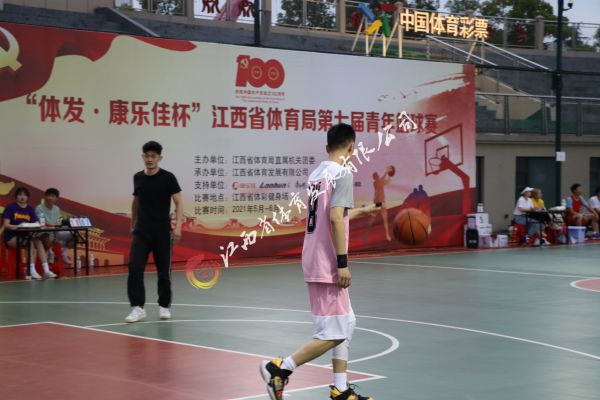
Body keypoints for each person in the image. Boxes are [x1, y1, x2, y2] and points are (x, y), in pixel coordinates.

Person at [260, 124, 379, 400]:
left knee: (347, 322)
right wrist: (342, 263)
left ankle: (340, 388)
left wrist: (361, 211)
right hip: (328, 262)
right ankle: (279, 368)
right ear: (352, 146)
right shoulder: (343, 172)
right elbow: (335, 219)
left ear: (328, 147)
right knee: (334, 333)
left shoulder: (317, 175)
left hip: (313, 257)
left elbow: (330, 215)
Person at [125, 141, 183, 323]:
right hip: (141, 232)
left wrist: (178, 226)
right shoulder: (137, 177)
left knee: (163, 271)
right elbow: (136, 202)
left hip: (162, 232)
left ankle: (164, 306)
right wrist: (133, 223)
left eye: (153, 156)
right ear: (142, 156)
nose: (149, 159)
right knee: (134, 268)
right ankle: (137, 308)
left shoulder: (168, 177)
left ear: (160, 158)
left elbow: (179, 202)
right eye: (147, 156)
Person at [2, 186, 56, 279]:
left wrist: (37, 225)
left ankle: (46, 271)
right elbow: (6, 225)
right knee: (29, 243)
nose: (22, 197)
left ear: (27, 197)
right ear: (16, 196)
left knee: (38, 241)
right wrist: (18, 226)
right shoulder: (10, 207)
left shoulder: (30, 208)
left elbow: (35, 223)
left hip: (25, 235)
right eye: (20, 195)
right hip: (11, 236)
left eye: (24, 195)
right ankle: (31, 271)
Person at [35, 188, 73, 265]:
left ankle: (64, 253)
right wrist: (54, 227)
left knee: (74, 235)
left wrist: (58, 230)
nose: (50, 198)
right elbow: (42, 223)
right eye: (49, 196)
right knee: (45, 234)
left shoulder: (57, 209)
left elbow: (56, 222)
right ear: (45, 197)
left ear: (56, 199)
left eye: (53, 196)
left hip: (54, 231)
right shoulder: (39, 208)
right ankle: (51, 253)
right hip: (43, 231)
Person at [372, 167, 392, 241]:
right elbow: (381, 180)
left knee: (385, 219)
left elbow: (388, 182)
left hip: (382, 202)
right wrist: (386, 172)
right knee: (373, 217)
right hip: (378, 203)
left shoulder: (380, 181)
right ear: (375, 178)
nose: (378, 176)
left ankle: (387, 235)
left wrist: (389, 175)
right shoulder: (375, 183)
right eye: (377, 176)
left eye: (377, 175)